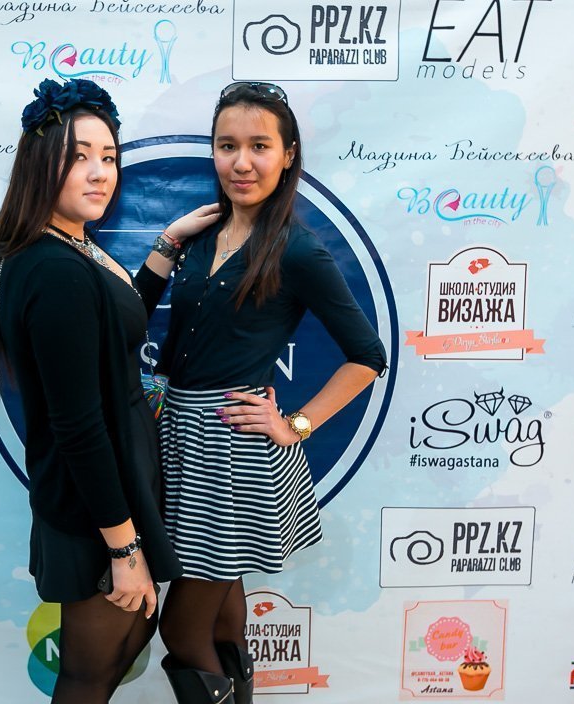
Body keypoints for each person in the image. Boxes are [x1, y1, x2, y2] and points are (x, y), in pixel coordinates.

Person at [135, 83, 388, 703]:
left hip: (234, 450)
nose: (241, 162)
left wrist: (296, 424)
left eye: (259, 146)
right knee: (222, 613)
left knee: (181, 627)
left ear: (287, 154)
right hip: (182, 437)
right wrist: (169, 241)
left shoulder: (298, 249)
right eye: (227, 146)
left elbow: (368, 357)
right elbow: (136, 319)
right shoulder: (202, 235)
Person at [0, 78, 182, 704]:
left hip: (110, 489)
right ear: (41, 164)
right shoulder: (53, 267)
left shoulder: (66, 246)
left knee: (123, 646)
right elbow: (78, 425)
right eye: (79, 156)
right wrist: (124, 546)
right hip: (95, 504)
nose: (99, 173)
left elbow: (113, 324)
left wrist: (167, 246)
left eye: (109, 157)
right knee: (90, 673)